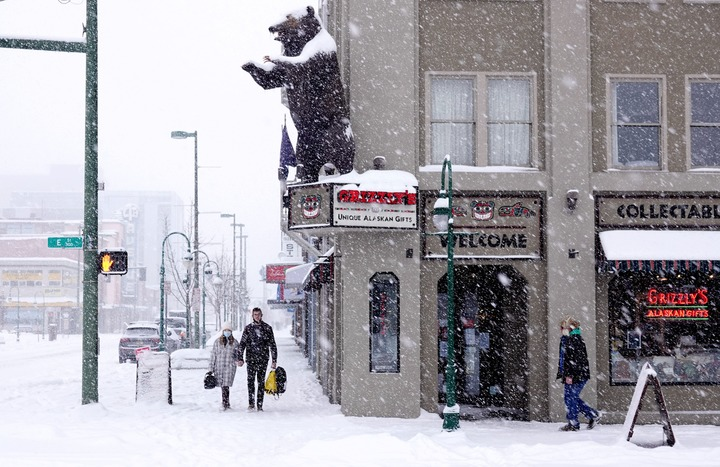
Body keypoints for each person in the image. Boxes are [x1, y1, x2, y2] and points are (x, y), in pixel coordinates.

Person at [556, 317, 601, 431]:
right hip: (574, 374)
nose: (560, 329)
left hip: (576, 375)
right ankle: (591, 415)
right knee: (571, 398)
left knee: (570, 398)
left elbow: (576, 360)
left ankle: (574, 423)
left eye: (562, 327)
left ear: (569, 328)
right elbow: (565, 359)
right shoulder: (567, 339)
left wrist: (570, 375)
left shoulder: (574, 340)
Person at [238, 307, 278, 411]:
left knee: (261, 382)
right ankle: (251, 403)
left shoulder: (267, 328)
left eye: (258, 314)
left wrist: (274, 360)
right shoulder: (248, 329)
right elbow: (242, 344)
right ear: (252, 316)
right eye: (255, 314)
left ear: (261, 315)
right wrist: (240, 358)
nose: (257, 316)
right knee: (250, 381)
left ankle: (260, 404)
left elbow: (272, 345)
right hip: (251, 359)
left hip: (263, 359)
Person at [209, 322, 242, 411]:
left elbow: (237, 355)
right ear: (223, 331)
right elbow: (213, 355)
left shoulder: (235, 343)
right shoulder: (217, 342)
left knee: (226, 385)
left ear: (231, 332)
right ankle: (225, 402)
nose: (227, 332)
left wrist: (239, 361)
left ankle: (225, 403)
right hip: (219, 367)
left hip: (229, 366)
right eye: (225, 330)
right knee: (222, 385)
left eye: (229, 330)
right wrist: (210, 369)